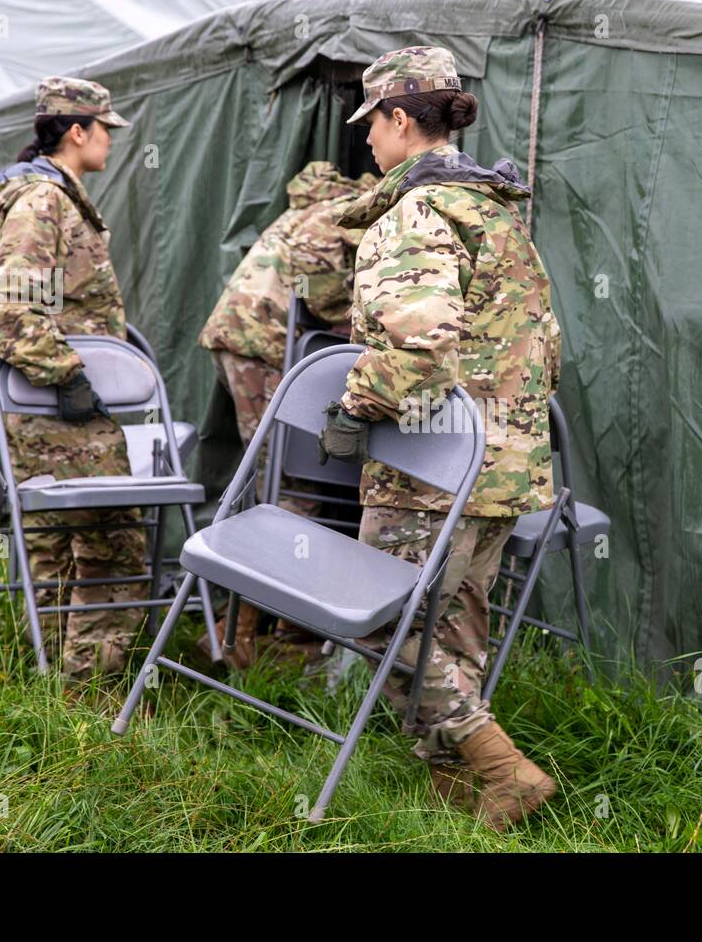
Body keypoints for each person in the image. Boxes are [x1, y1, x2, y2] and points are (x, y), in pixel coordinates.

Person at [318, 46, 563, 830]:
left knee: (381, 620)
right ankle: (457, 790)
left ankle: (500, 766)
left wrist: (355, 409)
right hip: (501, 463)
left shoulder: (416, 213)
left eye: (373, 126)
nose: (366, 143)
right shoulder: (490, 206)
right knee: (450, 626)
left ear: (399, 120)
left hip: (433, 469)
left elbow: (418, 350)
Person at [0, 76, 145, 688]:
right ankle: (92, 692)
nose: (111, 142)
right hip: (53, 404)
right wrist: (67, 377)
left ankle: (53, 682)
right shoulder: (43, 201)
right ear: (77, 131)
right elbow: (12, 310)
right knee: (112, 538)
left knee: (54, 542)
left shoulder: (51, 197)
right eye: (105, 129)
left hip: (44, 403)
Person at [197, 161, 377, 666]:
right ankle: (246, 633)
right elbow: (311, 269)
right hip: (262, 343)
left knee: (279, 483)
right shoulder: (344, 208)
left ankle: (269, 627)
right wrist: (361, 319)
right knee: (286, 492)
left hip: (248, 338)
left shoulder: (321, 202)